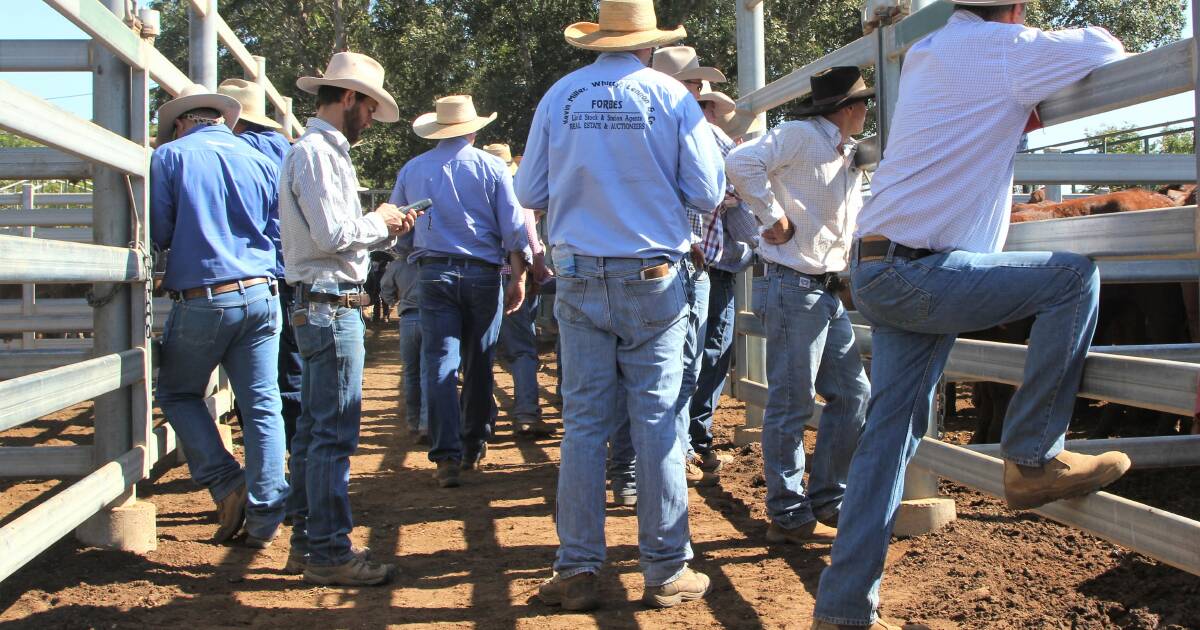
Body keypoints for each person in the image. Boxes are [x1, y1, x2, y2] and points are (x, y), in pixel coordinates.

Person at [810, 2, 1129, 628]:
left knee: (888, 439)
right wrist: (1025, 52)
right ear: (1015, 8)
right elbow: (1104, 46)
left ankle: (843, 608)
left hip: (881, 265)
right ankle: (1034, 457)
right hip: (919, 269)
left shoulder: (932, 52)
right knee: (1073, 278)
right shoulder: (1003, 50)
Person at [516, 0, 725, 610]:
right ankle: (664, 570)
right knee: (659, 420)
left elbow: (529, 190)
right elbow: (708, 190)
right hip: (651, 275)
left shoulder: (561, 95)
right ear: (649, 44)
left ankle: (578, 567)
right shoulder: (670, 95)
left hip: (578, 274)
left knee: (583, 424)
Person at [279, 51, 418, 586]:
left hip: (318, 301)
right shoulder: (319, 154)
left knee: (315, 432)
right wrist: (381, 220)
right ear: (351, 99)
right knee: (332, 434)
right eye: (369, 107)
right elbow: (334, 235)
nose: (370, 120)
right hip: (329, 301)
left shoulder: (314, 151)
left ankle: (308, 540)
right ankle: (329, 552)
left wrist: (383, 227)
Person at [726, 67, 874, 546]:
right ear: (848, 108)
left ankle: (825, 496)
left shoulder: (845, 151)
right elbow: (740, 162)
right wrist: (773, 217)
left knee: (852, 394)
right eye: (863, 103)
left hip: (821, 288)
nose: (867, 111)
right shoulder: (798, 136)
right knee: (793, 402)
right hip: (796, 284)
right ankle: (790, 508)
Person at [150, 83, 288, 547]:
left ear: (181, 123)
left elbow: (160, 229)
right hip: (262, 291)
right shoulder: (263, 160)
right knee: (262, 400)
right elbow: (276, 230)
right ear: (220, 118)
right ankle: (268, 513)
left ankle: (226, 482)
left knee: (176, 391)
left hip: (206, 295)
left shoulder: (170, 158)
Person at [606, 47, 731, 505]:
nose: (699, 92)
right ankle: (665, 464)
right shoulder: (691, 128)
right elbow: (714, 190)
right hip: (673, 263)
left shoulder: (620, 121)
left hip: (618, 258)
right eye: (694, 84)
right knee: (671, 371)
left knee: (630, 374)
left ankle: (631, 469)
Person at [390, 95, 530, 489]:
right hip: (483, 273)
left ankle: (445, 455)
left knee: (438, 362)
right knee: (479, 360)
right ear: (473, 128)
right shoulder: (491, 167)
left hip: (433, 272)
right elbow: (514, 229)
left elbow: (397, 226)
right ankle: (473, 442)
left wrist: (408, 253)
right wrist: (519, 275)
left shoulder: (414, 169)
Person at [218, 78, 302, 453]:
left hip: (253, 269)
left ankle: (273, 451)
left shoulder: (233, 150)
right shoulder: (283, 147)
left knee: (257, 374)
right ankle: (295, 451)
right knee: (291, 364)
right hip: (289, 267)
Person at [688, 87, 760, 476]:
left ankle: (684, 441)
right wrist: (758, 246)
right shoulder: (711, 138)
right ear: (711, 108)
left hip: (673, 261)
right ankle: (695, 439)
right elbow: (736, 193)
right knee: (709, 350)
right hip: (710, 265)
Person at [483, 142, 555, 437]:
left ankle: (481, 419)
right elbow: (528, 237)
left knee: (480, 350)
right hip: (511, 273)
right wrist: (536, 268)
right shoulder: (515, 194)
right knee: (523, 349)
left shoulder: (474, 190)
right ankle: (526, 413)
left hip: (480, 274)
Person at [379, 235, 428, 443]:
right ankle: (428, 423)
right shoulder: (430, 263)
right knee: (429, 372)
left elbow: (385, 289)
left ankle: (413, 421)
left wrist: (392, 302)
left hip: (408, 319)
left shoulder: (396, 266)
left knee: (411, 373)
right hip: (431, 317)